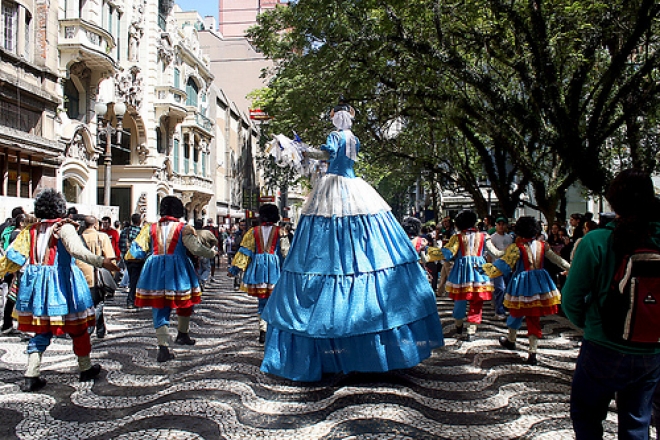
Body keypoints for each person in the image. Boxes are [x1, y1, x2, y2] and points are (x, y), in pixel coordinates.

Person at [260, 100, 444, 382]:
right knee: (365, 256)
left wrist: (296, 148)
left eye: (334, 113)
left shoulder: (336, 136)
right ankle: (373, 351)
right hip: (354, 189)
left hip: (335, 190)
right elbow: (330, 159)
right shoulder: (354, 138)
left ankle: (332, 352)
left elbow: (325, 153)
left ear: (335, 116)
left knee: (325, 251)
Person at [562, 169, 660, 439]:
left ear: (613, 201)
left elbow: (570, 299)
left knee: (586, 415)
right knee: (637, 421)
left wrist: (589, 324)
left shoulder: (596, 241)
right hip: (652, 349)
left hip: (602, 346)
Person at [0, 189, 120, 391]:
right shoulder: (64, 227)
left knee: (42, 329)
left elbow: (12, 257)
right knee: (78, 327)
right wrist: (101, 261)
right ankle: (85, 367)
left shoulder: (30, 230)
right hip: (64, 282)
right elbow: (77, 251)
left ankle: (32, 374)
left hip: (38, 284)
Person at [129, 196, 217, 362]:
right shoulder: (183, 228)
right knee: (185, 302)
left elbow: (136, 251)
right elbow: (196, 248)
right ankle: (182, 334)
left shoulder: (150, 228)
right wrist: (211, 253)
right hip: (178, 269)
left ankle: (163, 346)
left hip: (154, 270)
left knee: (159, 306)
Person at [483, 216, 569, 365]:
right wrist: (571, 268)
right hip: (540, 284)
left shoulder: (516, 248)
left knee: (516, 312)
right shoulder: (543, 246)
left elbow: (500, 260)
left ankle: (511, 339)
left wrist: (487, 250)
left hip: (521, 283)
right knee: (533, 317)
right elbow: (557, 260)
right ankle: (532, 352)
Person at [228, 204, 289, 343]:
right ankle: (273, 329)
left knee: (262, 302)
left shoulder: (253, 232)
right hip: (275, 269)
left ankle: (263, 330)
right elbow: (286, 252)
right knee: (275, 301)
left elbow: (245, 252)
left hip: (259, 269)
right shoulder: (281, 231)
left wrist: (234, 270)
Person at [436, 210, 496, 341]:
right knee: (477, 301)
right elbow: (495, 252)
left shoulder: (457, 237)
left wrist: (429, 254)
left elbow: (448, 254)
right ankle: (471, 331)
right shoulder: (484, 236)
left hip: (461, 271)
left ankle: (458, 324)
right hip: (479, 270)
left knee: (460, 298)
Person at [77, 216, 116, 339]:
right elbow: (109, 256)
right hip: (96, 273)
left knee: (86, 302)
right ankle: (90, 328)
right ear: (95, 225)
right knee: (98, 302)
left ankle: (101, 328)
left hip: (81, 273)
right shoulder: (101, 237)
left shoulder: (78, 239)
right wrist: (112, 274)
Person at [489, 217, 513, 320]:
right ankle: (499, 311)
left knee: (507, 289)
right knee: (499, 288)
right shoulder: (492, 238)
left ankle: (505, 308)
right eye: (499, 224)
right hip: (496, 265)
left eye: (503, 224)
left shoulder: (509, 238)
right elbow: (490, 253)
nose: (501, 226)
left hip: (507, 266)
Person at [120, 213, 145, 309]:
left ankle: (133, 299)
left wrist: (125, 254)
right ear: (139, 221)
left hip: (127, 258)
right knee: (136, 280)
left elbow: (121, 244)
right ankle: (132, 300)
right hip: (138, 259)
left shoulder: (125, 231)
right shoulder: (142, 232)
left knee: (132, 278)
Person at [194, 218, 218, 290]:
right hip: (205, 252)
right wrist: (210, 247)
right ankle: (202, 280)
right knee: (207, 268)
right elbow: (215, 241)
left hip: (195, 253)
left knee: (199, 269)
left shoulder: (192, 232)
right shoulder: (206, 232)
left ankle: (199, 282)